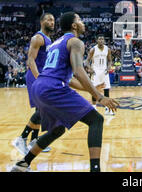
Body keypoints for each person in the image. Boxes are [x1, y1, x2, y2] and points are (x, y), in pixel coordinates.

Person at [11, 12, 119, 172]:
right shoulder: (75, 42)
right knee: (96, 120)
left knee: (58, 129)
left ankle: (23, 163)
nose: (83, 23)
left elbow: (69, 78)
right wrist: (99, 97)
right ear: (74, 25)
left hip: (39, 86)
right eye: (80, 20)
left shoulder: (55, 43)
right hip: (52, 87)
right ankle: (95, 169)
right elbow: (78, 70)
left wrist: (92, 89)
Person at [12, 13, 54, 156]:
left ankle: (33, 141)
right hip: (35, 77)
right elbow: (30, 61)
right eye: (49, 19)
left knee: (40, 110)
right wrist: (40, 79)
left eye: (53, 20)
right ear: (42, 22)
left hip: (42, 76)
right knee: (42, 109)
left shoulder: (48, 39)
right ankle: (22, 138)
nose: (52, 22)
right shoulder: (38, 38)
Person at [86, 35, 114, 115]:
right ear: (97, 40)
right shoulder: (93, 49)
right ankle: (94, 108)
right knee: (94, 89)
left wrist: (108, 67)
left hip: (104, 71)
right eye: (99, 39)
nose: (101, 40)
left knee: (106, 90)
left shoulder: (107, 49)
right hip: (96, 71)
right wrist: (90, 69)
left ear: (104, 40)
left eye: (102, 39)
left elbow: (109, 60)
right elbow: (87, 61)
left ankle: (107, 108)